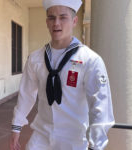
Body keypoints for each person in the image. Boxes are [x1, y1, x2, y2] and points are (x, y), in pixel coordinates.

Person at [10, 0, 115, 150]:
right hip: (41, 136)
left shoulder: (90, 60)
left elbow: (100, 105)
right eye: (51, 17)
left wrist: (96, 145)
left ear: (74, 21)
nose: (56, 23)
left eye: (63, 17)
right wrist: (16, 126)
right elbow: (26, 94)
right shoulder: (35, 59)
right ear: (46, 22)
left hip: (75, 139)